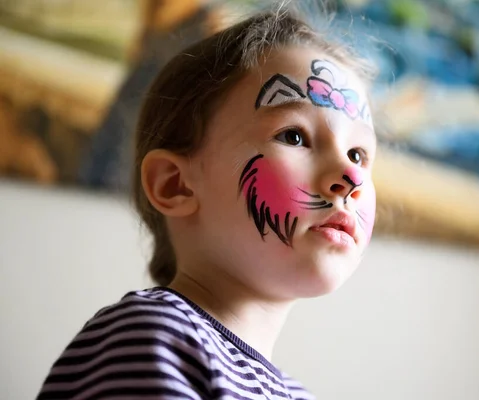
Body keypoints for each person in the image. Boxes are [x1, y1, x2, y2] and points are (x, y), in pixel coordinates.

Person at [37, 3, 377, 399]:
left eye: (358, 155)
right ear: (175, 185)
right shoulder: (157, 338)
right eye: (294, 136)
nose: (351, 177)